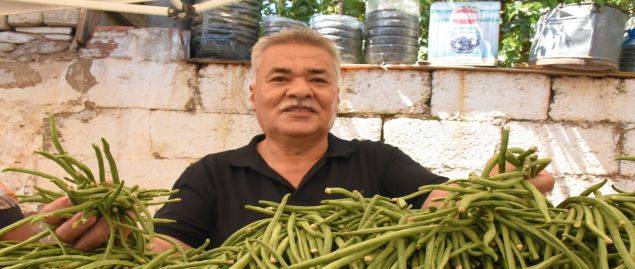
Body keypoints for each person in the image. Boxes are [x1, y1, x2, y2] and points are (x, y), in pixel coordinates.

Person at [0, 28, 554, 250]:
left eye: (318, 79)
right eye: (281, 78)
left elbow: (439, 201)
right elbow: (169, 249)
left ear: (337, 95)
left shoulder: (379, 163)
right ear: (253, 94)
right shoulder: (211, 174)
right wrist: (114, 241)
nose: (300, 92)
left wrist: (492, 190)